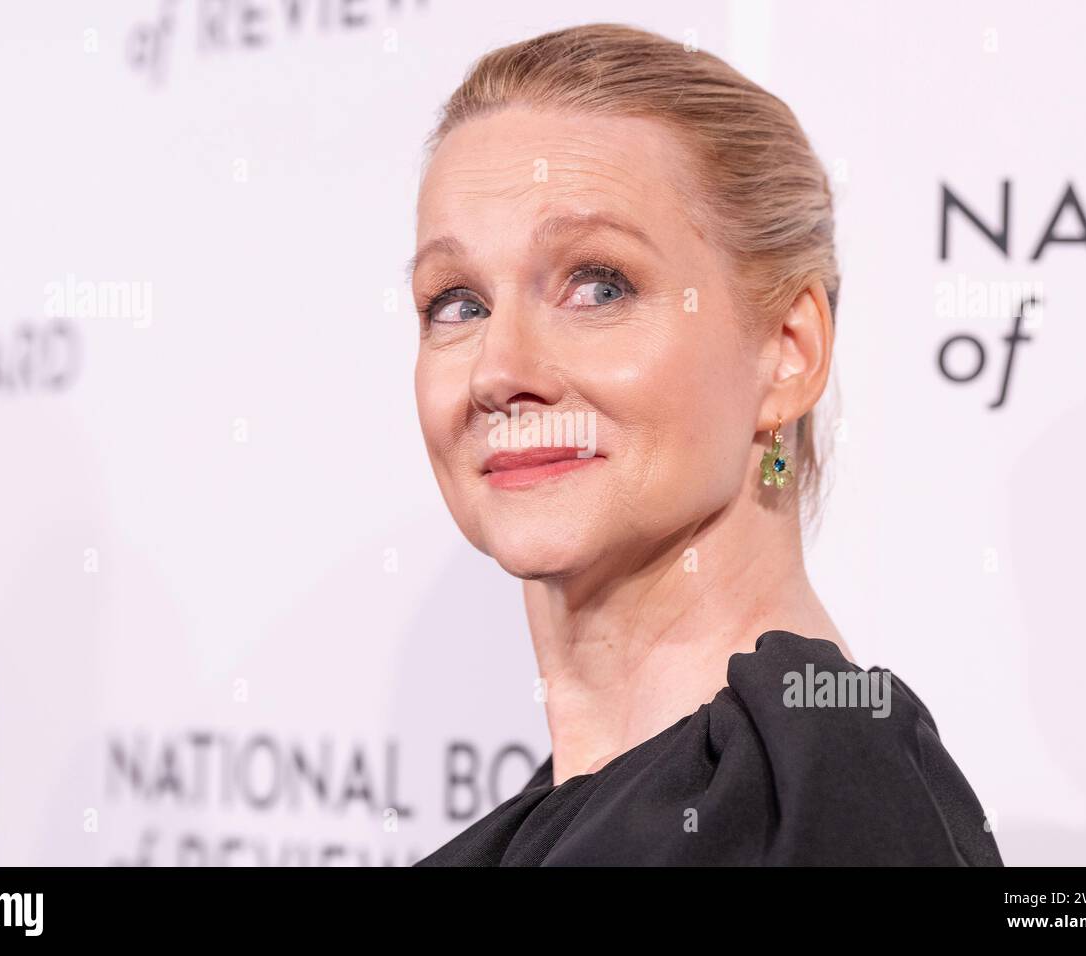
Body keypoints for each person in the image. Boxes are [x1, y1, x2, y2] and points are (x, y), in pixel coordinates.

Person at [406, 22, 1002, 866]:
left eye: (598, 285)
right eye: (457, 302)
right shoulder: (596, 808)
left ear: (788, 353)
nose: (499, 371)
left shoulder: (819, 790)